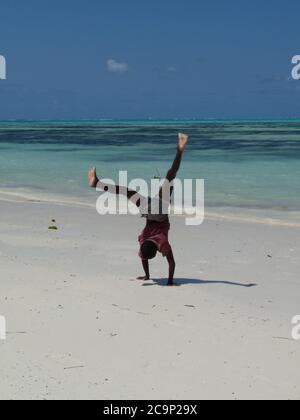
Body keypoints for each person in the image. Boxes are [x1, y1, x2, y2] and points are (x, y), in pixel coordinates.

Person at [88, 133, 188, 286]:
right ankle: (98, 184)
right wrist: (162, 280)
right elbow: (146, 256)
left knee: (170, 176)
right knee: (127, 192)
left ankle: (180, 150)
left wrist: (166, 280)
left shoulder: (162, 244)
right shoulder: (142, 238)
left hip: (159, 211)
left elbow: (171, 263)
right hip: (147, 209)